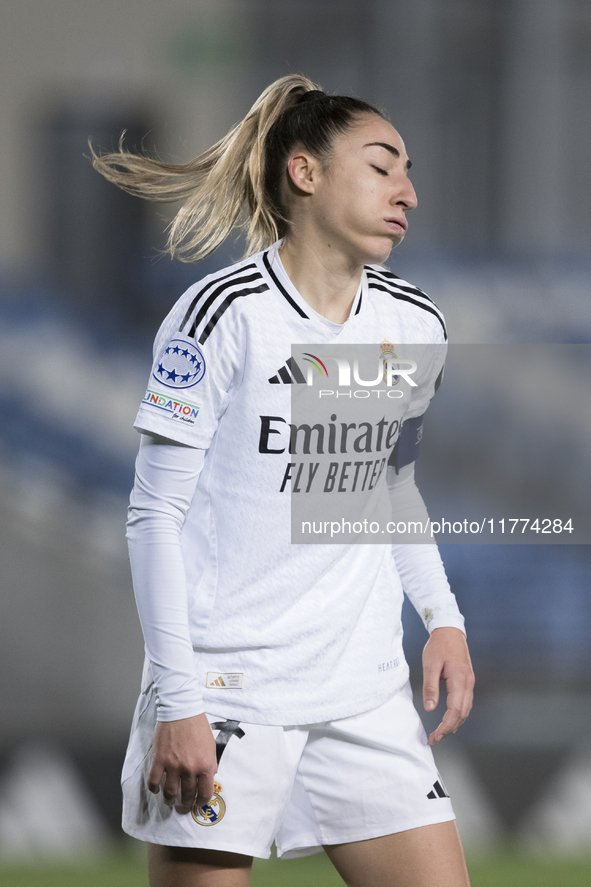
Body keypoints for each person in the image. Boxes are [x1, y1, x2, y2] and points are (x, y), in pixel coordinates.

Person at [92, 74, 475, 887]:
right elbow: (152, 514)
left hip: (363, 694)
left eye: (409, 171)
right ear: (304, 173)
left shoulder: (413, 323)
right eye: (381, 166)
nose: (407, 190)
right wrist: (177, 699)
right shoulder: (223, 316)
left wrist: (442, 616)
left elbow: (384, 487)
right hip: (231, 696)